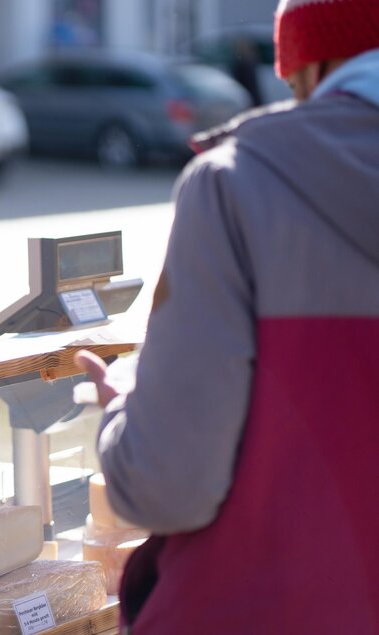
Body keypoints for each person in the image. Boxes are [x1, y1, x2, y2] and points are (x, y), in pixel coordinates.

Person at [75, 0, 379, 632]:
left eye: (293, 87)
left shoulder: (236, 184)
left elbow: (168, 486)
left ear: (313, 65)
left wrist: (120, 414)